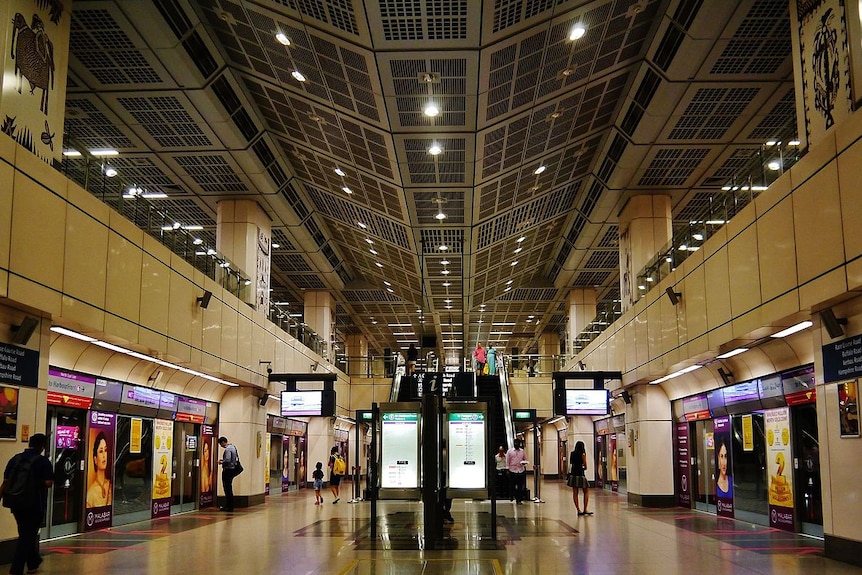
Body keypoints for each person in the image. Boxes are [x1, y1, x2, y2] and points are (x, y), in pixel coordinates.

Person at [1, 433, 54, 575]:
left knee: (25, 533)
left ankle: (33, 563)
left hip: (16, 503)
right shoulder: (43, 462)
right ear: (42, 446)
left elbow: (6, 481)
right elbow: (49, 482)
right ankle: (16, 570)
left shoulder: (15, 459)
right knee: (26, 536)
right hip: (35, 505)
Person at [86, 431, 112, 508]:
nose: (104, 455)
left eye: (106, 450)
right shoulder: (91, 493)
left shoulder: (111, 485)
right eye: (101, 451)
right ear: (95, 459)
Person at [569, 441, 592, 516]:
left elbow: (571, 463)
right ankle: (585, 509)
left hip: (573, 474)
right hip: (580, 474)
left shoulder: (572, 453)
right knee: (586, 491)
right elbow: (585, 465)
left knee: (575, 492)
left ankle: (578, 510)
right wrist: (583, 467)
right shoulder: (583, 454)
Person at [217, 436, 239, 511]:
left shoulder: (228, 449)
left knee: (227, 488)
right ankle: (229, 505)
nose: (221, 446)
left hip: (228, 470)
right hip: (232, 470)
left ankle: (229, 506)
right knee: (229, 487)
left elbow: (228, 460)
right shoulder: (233, 447)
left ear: (223, 442)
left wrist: (221, 462)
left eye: (220, 444)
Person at [506, 439, 527, 504]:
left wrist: (524, 462)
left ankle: (519, 500)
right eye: (515, 443)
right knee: (512, 485)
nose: (516, 444)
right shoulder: (509, 451)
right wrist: (507, 469)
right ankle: (512, 496)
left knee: (520, 486)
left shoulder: (522, 451)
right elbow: (507, 460)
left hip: (520, 470)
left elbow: (525, 459)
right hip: (512, 470)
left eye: (517, 443)